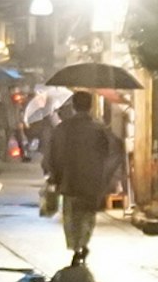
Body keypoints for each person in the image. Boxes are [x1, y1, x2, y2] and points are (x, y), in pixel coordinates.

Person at [41, 91, 124, 267]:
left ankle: (76, 246)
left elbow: (52, 154)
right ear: (91, 106)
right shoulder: (100, 129)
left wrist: (52, 175)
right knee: (88, 214)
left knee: (71, 215)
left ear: (73, 106)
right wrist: (107, 175)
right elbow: (115, 151)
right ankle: (83, 243)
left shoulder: (63, 128)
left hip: (69, 179)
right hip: (93, 180)